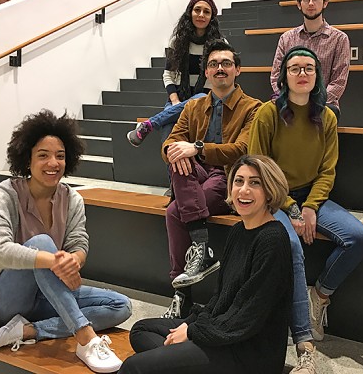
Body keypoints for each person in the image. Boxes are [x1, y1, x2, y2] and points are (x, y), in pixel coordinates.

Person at [0, 110, 132, 373]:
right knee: (42, 242)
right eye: (43, 155)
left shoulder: (72, 199)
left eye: (60, 156)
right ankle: (85, 337)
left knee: (121, 306)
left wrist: (74, 259)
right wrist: (53, 260)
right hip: (5, 299)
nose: (53, 163)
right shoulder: (3, 194)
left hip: (48, 294)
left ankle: (28, 330)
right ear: (27, 159)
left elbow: (78, 241)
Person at [249, 46, 363, 374]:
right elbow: (259, 165)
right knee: (291, 245)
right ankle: (305, 344)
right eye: (294, 68)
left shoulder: (327, 116)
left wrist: (312, 206)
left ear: (317, 76)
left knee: (359, 237)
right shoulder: (267, 113)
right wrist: (292, 208)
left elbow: (327, 170)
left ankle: (320, 295)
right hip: (274, 196)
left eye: (308, 68)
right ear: (283, 76)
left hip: (312, 195)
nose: (302, 74)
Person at [118, 154, 293, 374]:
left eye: (254, 183)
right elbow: (221, 298)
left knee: (133, 367)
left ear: (270, 191)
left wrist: (192, 333)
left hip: (248, 353)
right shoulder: (239, 231)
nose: (244, 190)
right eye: (238, 181)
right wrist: (192, 324)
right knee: (141, 330)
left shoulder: (273, 239)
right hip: (224, 334)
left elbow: (247, 316)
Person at [160, 40, 261, 319]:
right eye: (214, 64)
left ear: (237, 70)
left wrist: (198, 148)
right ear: (206, 72)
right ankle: (201, 248)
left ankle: (181, 294)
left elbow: (242, 150)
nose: (220, 69)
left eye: (226, 64)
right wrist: (176, 150)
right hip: (196, 175)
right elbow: (170, 142)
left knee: (173, 211)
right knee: (179, 156)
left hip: (230, 177)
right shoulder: (193, 107)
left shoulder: (253, 108)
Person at [127, 0, 222, 147]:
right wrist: (176, 101)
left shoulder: (219, 44)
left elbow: (218, 78)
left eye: (206, 11)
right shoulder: (177, 41)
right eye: (197, 10)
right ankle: (171, 170)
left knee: (200, 97)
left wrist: (187, 104)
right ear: (190, 12)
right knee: (168, 136)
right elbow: (168, 74)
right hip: (178, 95)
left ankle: (149, 125)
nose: (201, 15)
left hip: (207, 99)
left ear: (212, 17)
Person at [270, 0, 350, 118]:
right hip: (290, 104)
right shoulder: (286, 38)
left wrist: (310, 102)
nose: (311, 3)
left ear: (325, 2)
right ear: (299, 4)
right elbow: (276, 76)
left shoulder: (339, 39)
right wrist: (293, 101)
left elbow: (339, 82)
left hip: (324, 105)